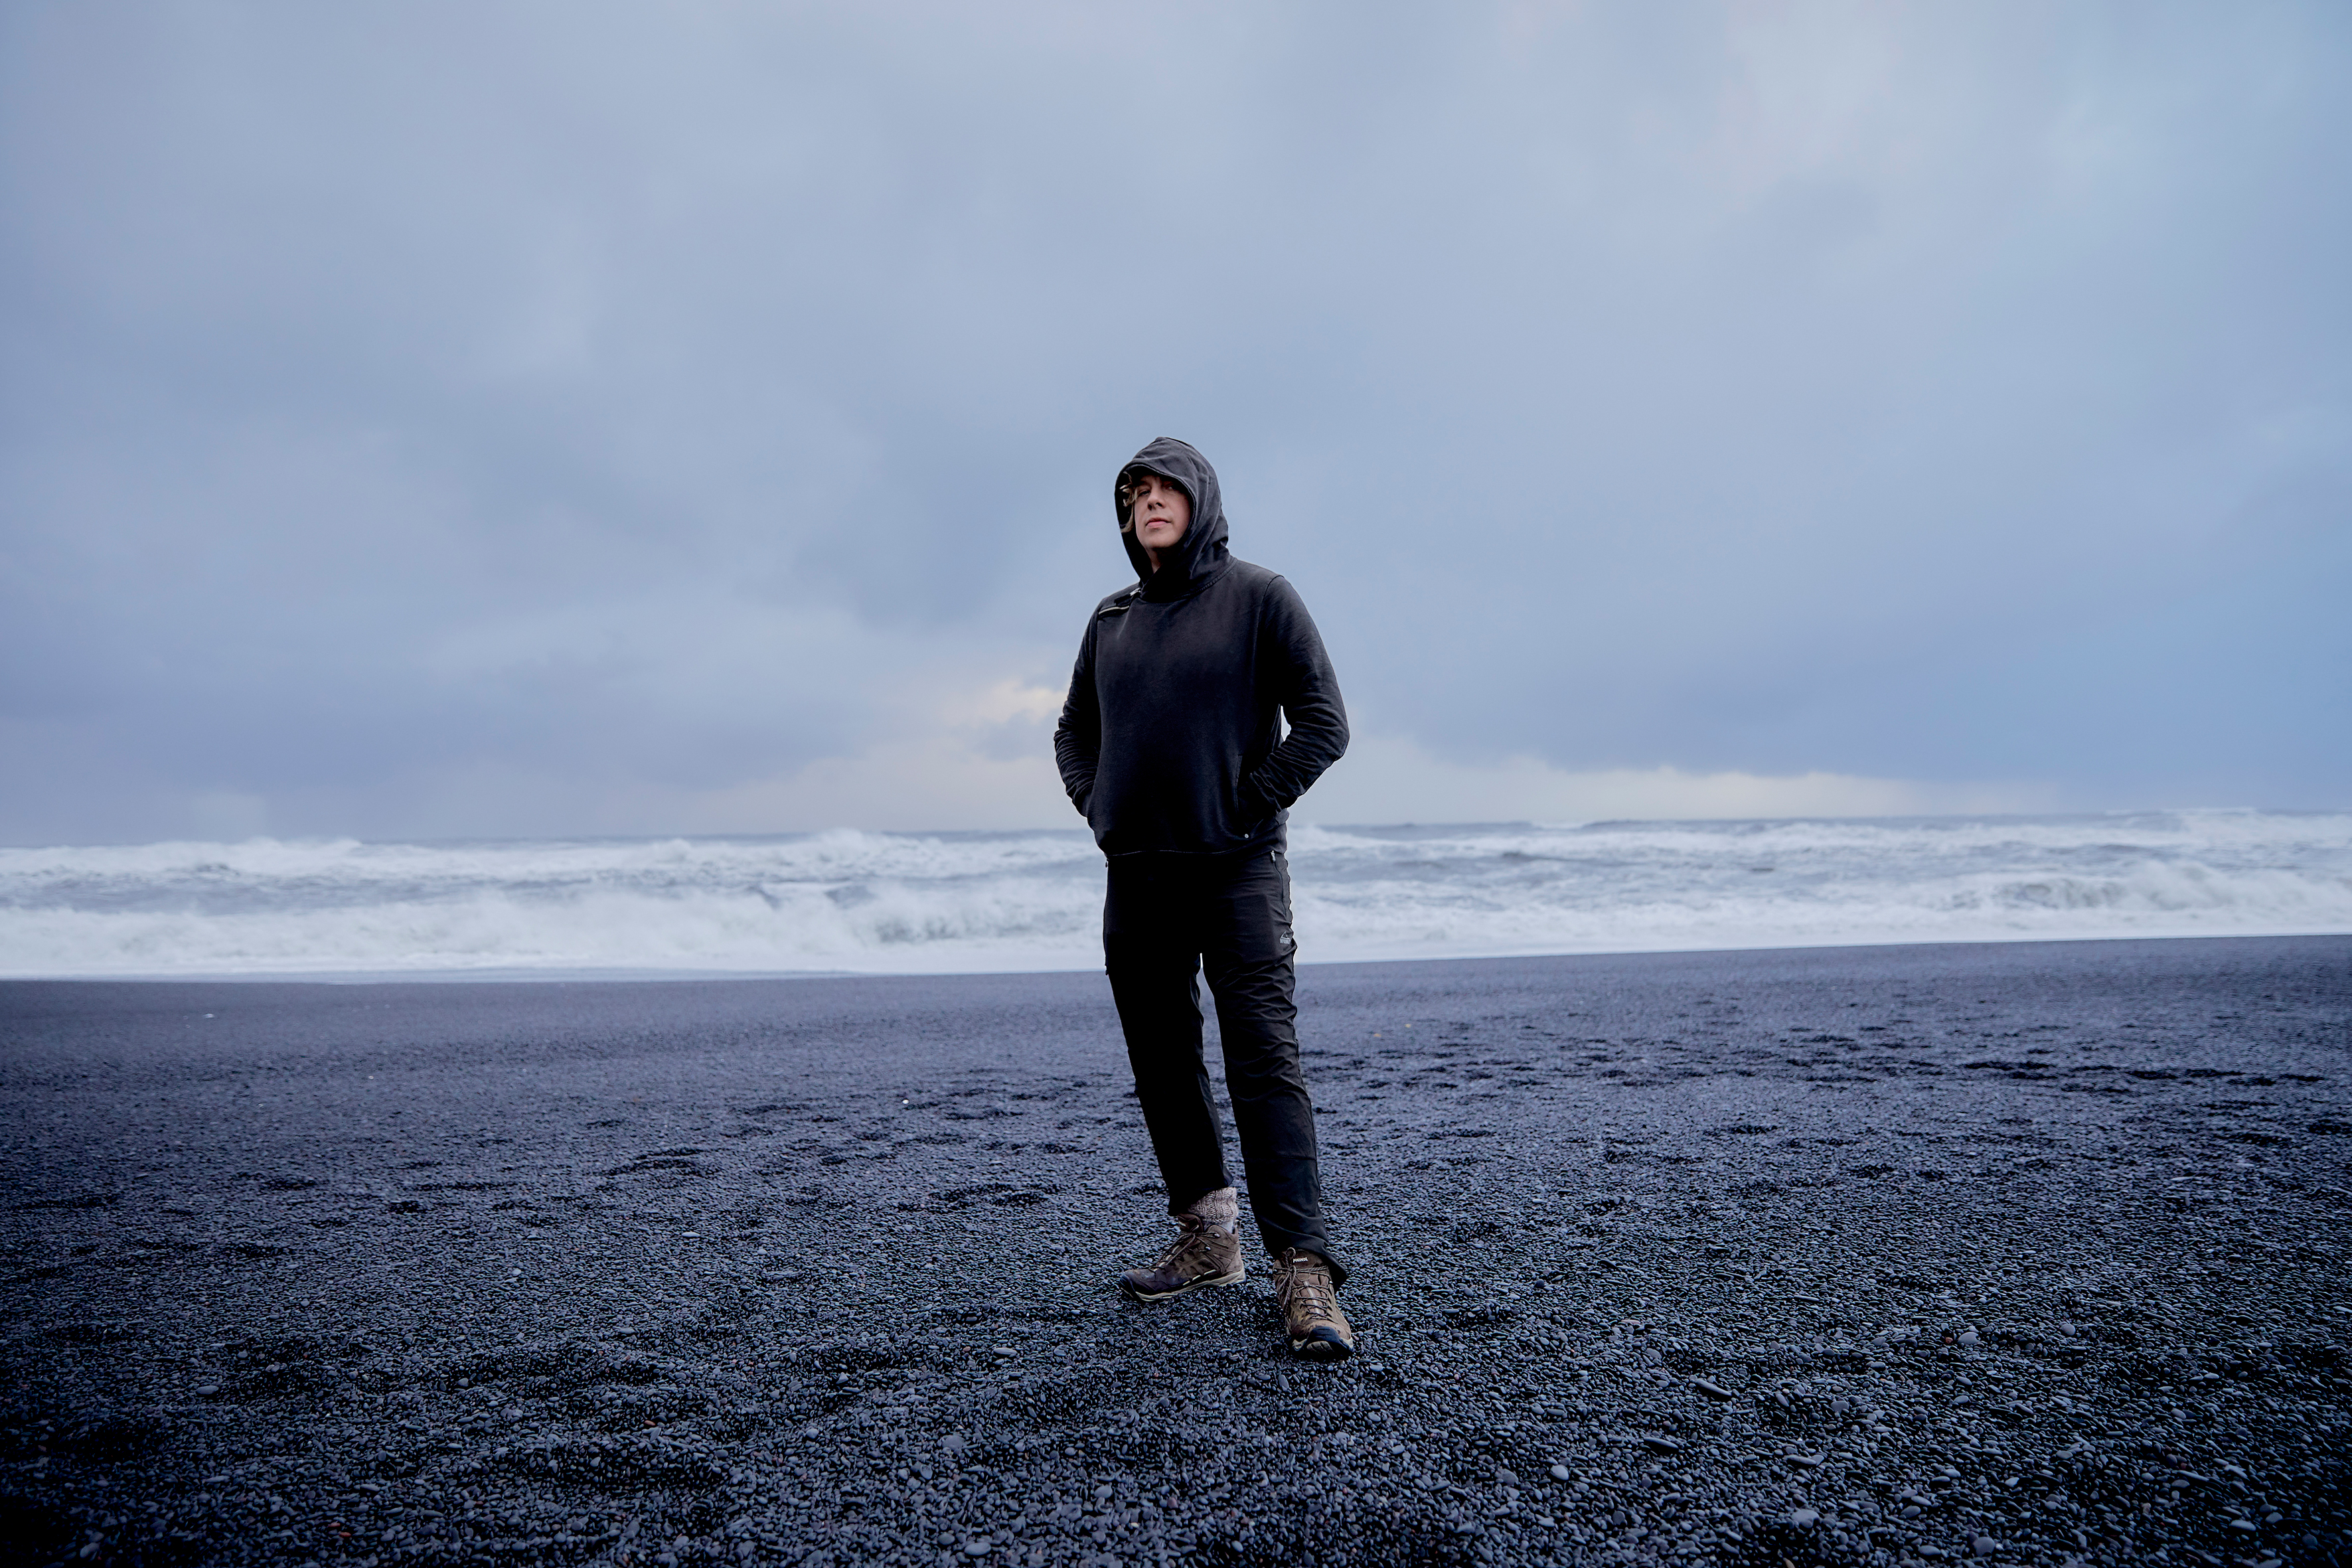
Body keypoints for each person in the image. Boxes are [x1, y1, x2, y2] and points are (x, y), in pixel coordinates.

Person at [1052, 436, 1356, 1360]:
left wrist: (1248, 797)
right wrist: (1097, 804)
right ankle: (1209, 1235)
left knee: (1263, 1058)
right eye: (1134, 491)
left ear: (1199, 499)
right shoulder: (1111, 619)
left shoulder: (1260, 598)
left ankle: (1303, 1267)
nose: (1149, 500)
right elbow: (1073, 731)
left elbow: (1324, 726)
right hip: (1136, 874)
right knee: (1163, 1060)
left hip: (1239, 871)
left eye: (1164, 487)